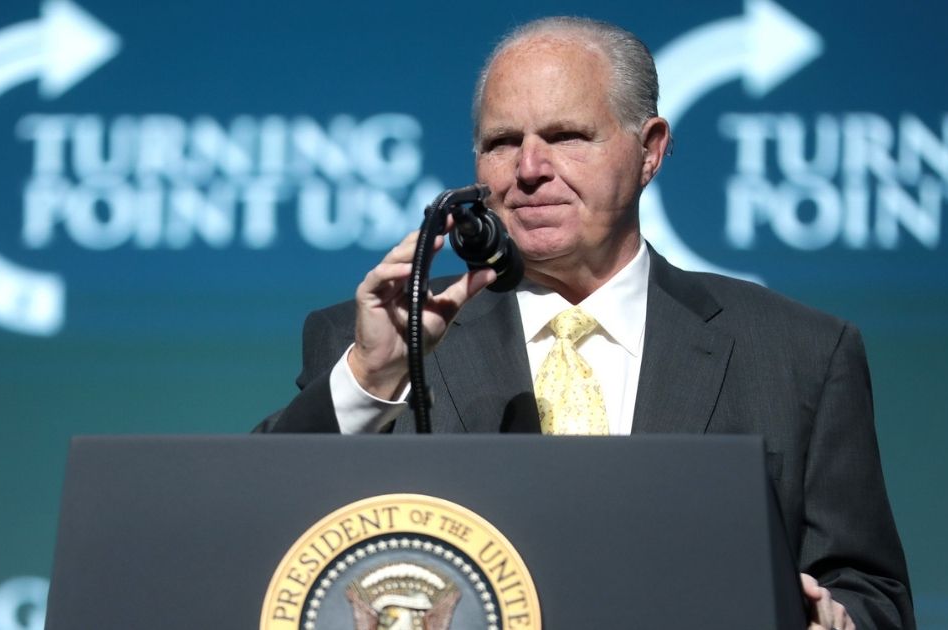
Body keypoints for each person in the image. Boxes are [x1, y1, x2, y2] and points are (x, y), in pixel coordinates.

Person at [256, 16, 913, 630]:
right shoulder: (380, 343)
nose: (530, 169)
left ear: (650, 150)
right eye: (502, 143)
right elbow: (254, 534)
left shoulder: (799, 352)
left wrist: (835, 619)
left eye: (567, 137)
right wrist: (372, 376)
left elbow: (872, 593)